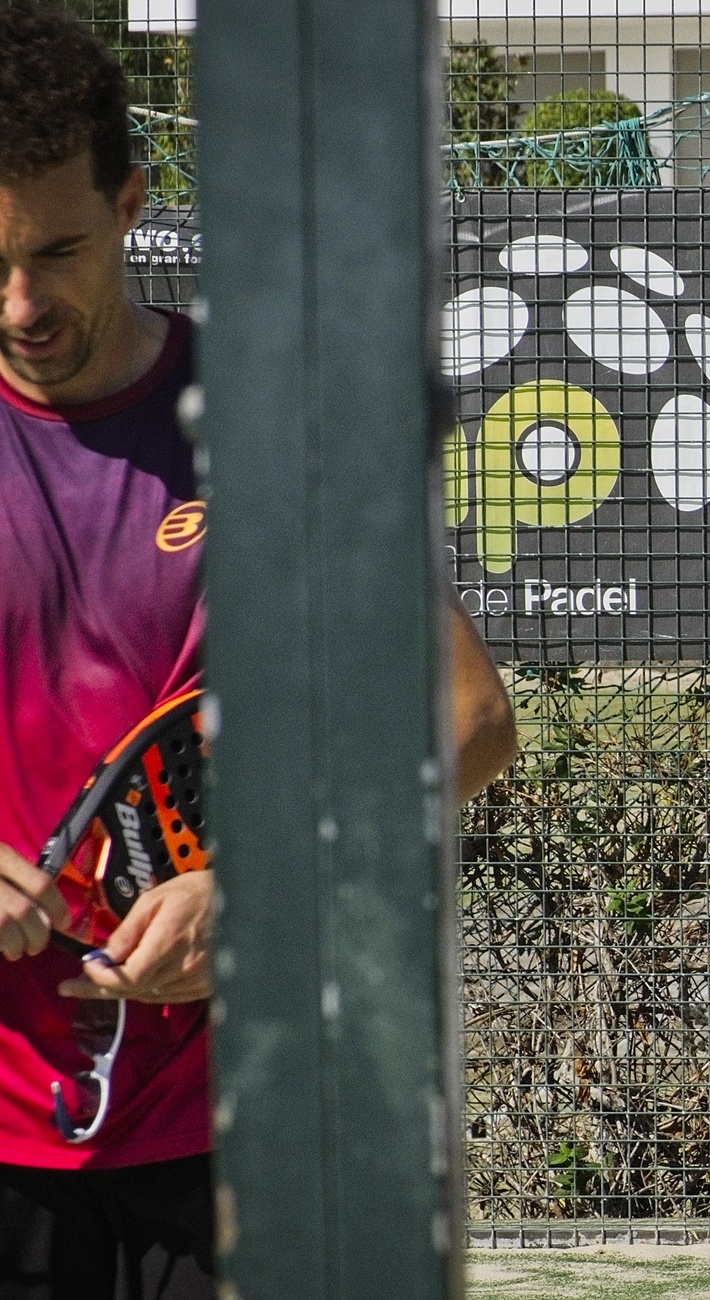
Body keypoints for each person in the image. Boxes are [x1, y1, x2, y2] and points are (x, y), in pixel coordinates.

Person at [0, 8, 517, 1297]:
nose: (20, 303)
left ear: (130, 204)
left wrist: (260, 884)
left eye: (55, 251)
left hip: (235, 1128)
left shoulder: (267, 419)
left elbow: (469, 721)